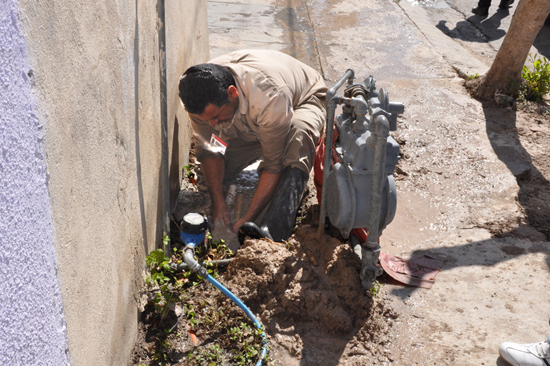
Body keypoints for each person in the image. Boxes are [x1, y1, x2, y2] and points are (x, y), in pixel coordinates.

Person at [178, 49, 327, 243]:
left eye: (215, 116)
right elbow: (210, 150)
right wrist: (218, 202)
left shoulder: (270, 97)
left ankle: (274, 229)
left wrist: (247, 220)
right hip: (253, 120)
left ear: (232, 93)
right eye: (207, 119)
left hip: (304, 100)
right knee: (214, 169)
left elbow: (272, 165)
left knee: (295, 146)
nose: (212, 124)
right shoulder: (200, 97)